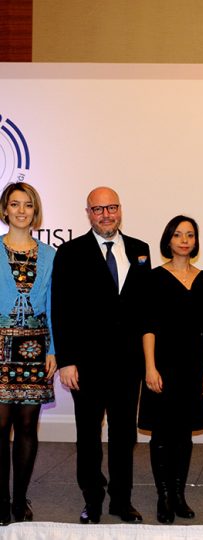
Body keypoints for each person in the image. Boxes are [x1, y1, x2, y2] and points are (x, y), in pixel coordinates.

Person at [51, 187, 151, 524]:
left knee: (124, 436)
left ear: (120, 209)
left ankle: (122, 500)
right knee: (88, 436)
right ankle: (92, 499)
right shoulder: (70, 252)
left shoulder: (140, 250)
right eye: (98, 209)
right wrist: (66, 360)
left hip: (128, 364)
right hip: (86, 365)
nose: (106, 215)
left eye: (111, 207)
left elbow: (143, 310)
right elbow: (61, 309)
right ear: (88, 213)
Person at [138, 215, 203, 524]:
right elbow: (148, 326)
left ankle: (180, 495)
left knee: (184, 435)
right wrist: (150, 367)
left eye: (190, 235)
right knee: (161, 433)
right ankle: (164, 497)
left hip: (193, 366)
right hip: (162, 365)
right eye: (178, 234)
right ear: (168, 240)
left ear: (195, 241)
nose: (184, 240)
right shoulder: (154, 278)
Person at [0, 182, 56, 525]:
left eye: (28, 205)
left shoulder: (50, 255)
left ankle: (19, 501)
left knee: (26, 427)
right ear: (5, 209)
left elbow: (55, 307)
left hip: (36, 347)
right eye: (15, 204)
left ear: (35, 211)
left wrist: (54, 351)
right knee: (0, 426)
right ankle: (1, 501)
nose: (21, 211)